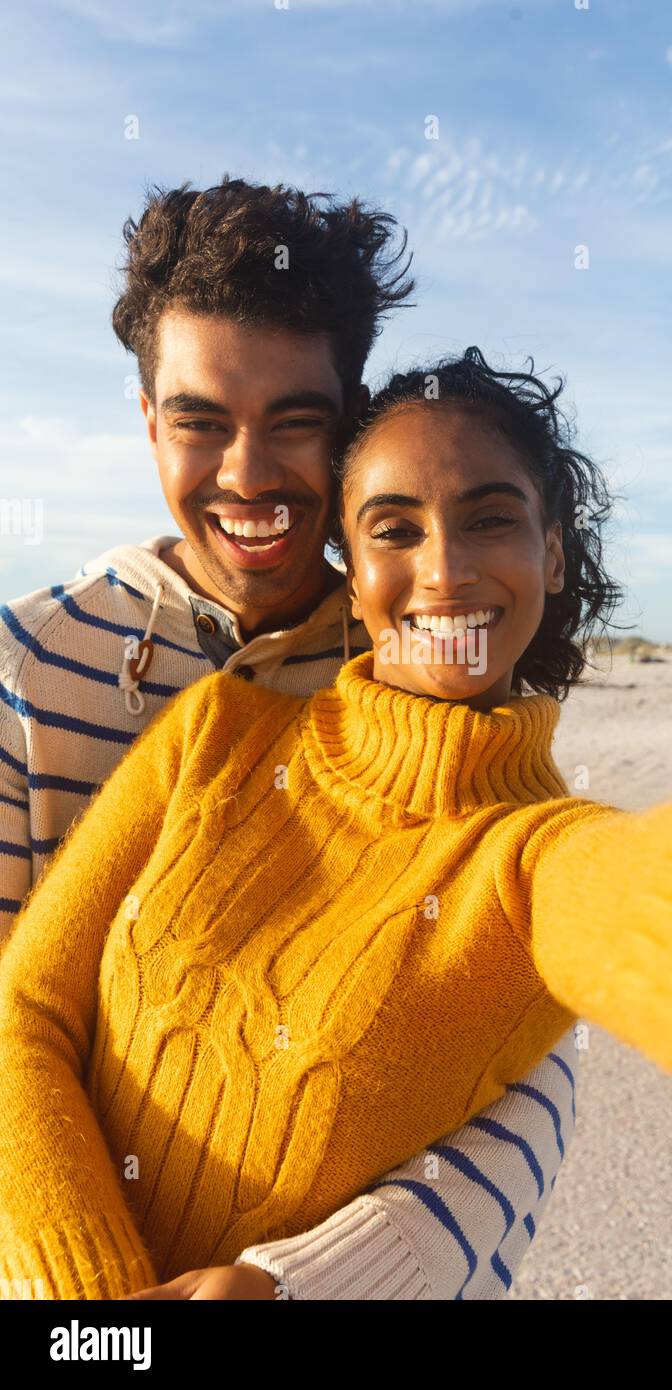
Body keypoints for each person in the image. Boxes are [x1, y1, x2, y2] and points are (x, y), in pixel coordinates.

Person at [2, 349, 672, 1304]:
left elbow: (671, 904)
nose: (445, 570)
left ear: (552, 550)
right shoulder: (217, 733)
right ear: (351, 562)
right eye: (395, 529)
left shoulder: (534, 864)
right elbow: (23, 1010)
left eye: (489, 519)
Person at [0, 179, 574, 1300]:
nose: (249, 474)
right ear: (146, 419)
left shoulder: (416, 662)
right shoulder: (28, 665)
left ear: (349, 425)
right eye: (200, 420)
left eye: (296, 424)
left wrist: (295, 1285)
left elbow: (525, 1067)